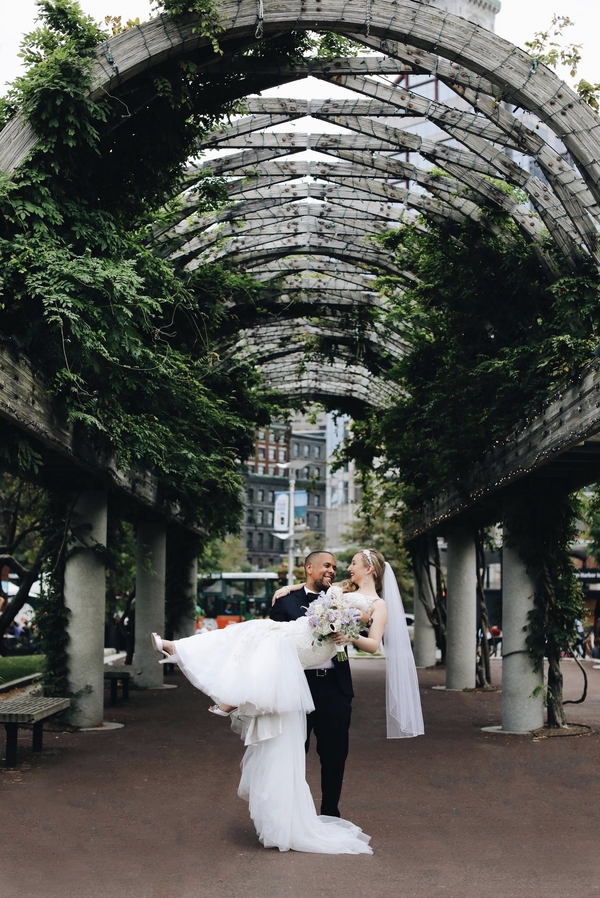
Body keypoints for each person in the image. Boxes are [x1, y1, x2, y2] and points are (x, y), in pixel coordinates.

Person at [151, 548, 423, 854]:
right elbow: (317, 589)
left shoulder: (376, 604)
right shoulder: (340, 590)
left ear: (369, 569)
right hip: (300, 665)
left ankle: (329, 814)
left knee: (333, 753)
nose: (347, 568)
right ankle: (183, 653)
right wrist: (291, 588)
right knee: (255, 632)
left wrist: (348, 635)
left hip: (332, 682)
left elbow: (373, 642)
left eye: (353, 563)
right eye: (339, 564)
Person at [270, 551, 352, 819]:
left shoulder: (341, 599)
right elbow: (274, 647)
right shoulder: (285, 602)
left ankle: (330, 813)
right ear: (308, 568)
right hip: (298, 686)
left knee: (335, 754)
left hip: (335, 688)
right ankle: (293, 816)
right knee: (293, 752)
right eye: (326, 565)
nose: (332, 571)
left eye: (335, 567)